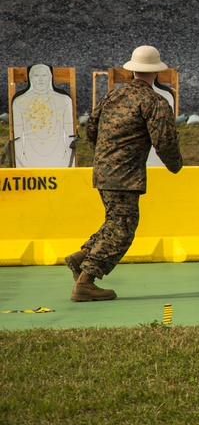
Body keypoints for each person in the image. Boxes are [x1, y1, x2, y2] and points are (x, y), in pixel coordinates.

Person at [64, 46, 183, 302]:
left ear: (133, 70)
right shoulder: (154, 101)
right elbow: (164, 141)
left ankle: (82, 256)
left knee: (115, 221)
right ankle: (86, 280)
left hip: (103, 172)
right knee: (124, 229)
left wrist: (107, 155)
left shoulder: (112, 96)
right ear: (156, 73)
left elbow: (91, 130)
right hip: (126, 177)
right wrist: (176, 165)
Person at [10, 63, 76, 168]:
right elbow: (18, 136)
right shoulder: (19, 102)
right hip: (29, 156)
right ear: (31, 78)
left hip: (59, 156)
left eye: (44, 75)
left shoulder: (63, 100)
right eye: (36, 76)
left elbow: (69, 134)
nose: (40, 79)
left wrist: (69, 159)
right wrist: (20, 161)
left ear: (50, 77)